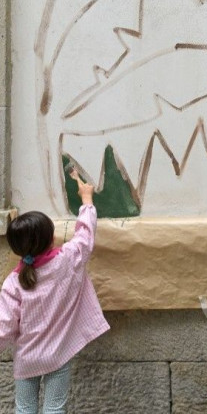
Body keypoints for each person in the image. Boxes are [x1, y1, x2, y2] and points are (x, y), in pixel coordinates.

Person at [0, 171, 110, 414]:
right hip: (58, 354)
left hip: (27, 359)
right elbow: (85, 234)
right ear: (51, 238)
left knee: (24, 408)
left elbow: (4, 326)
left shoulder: (13, 283)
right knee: (55, 408)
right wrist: (87, 200)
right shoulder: (68, 260)